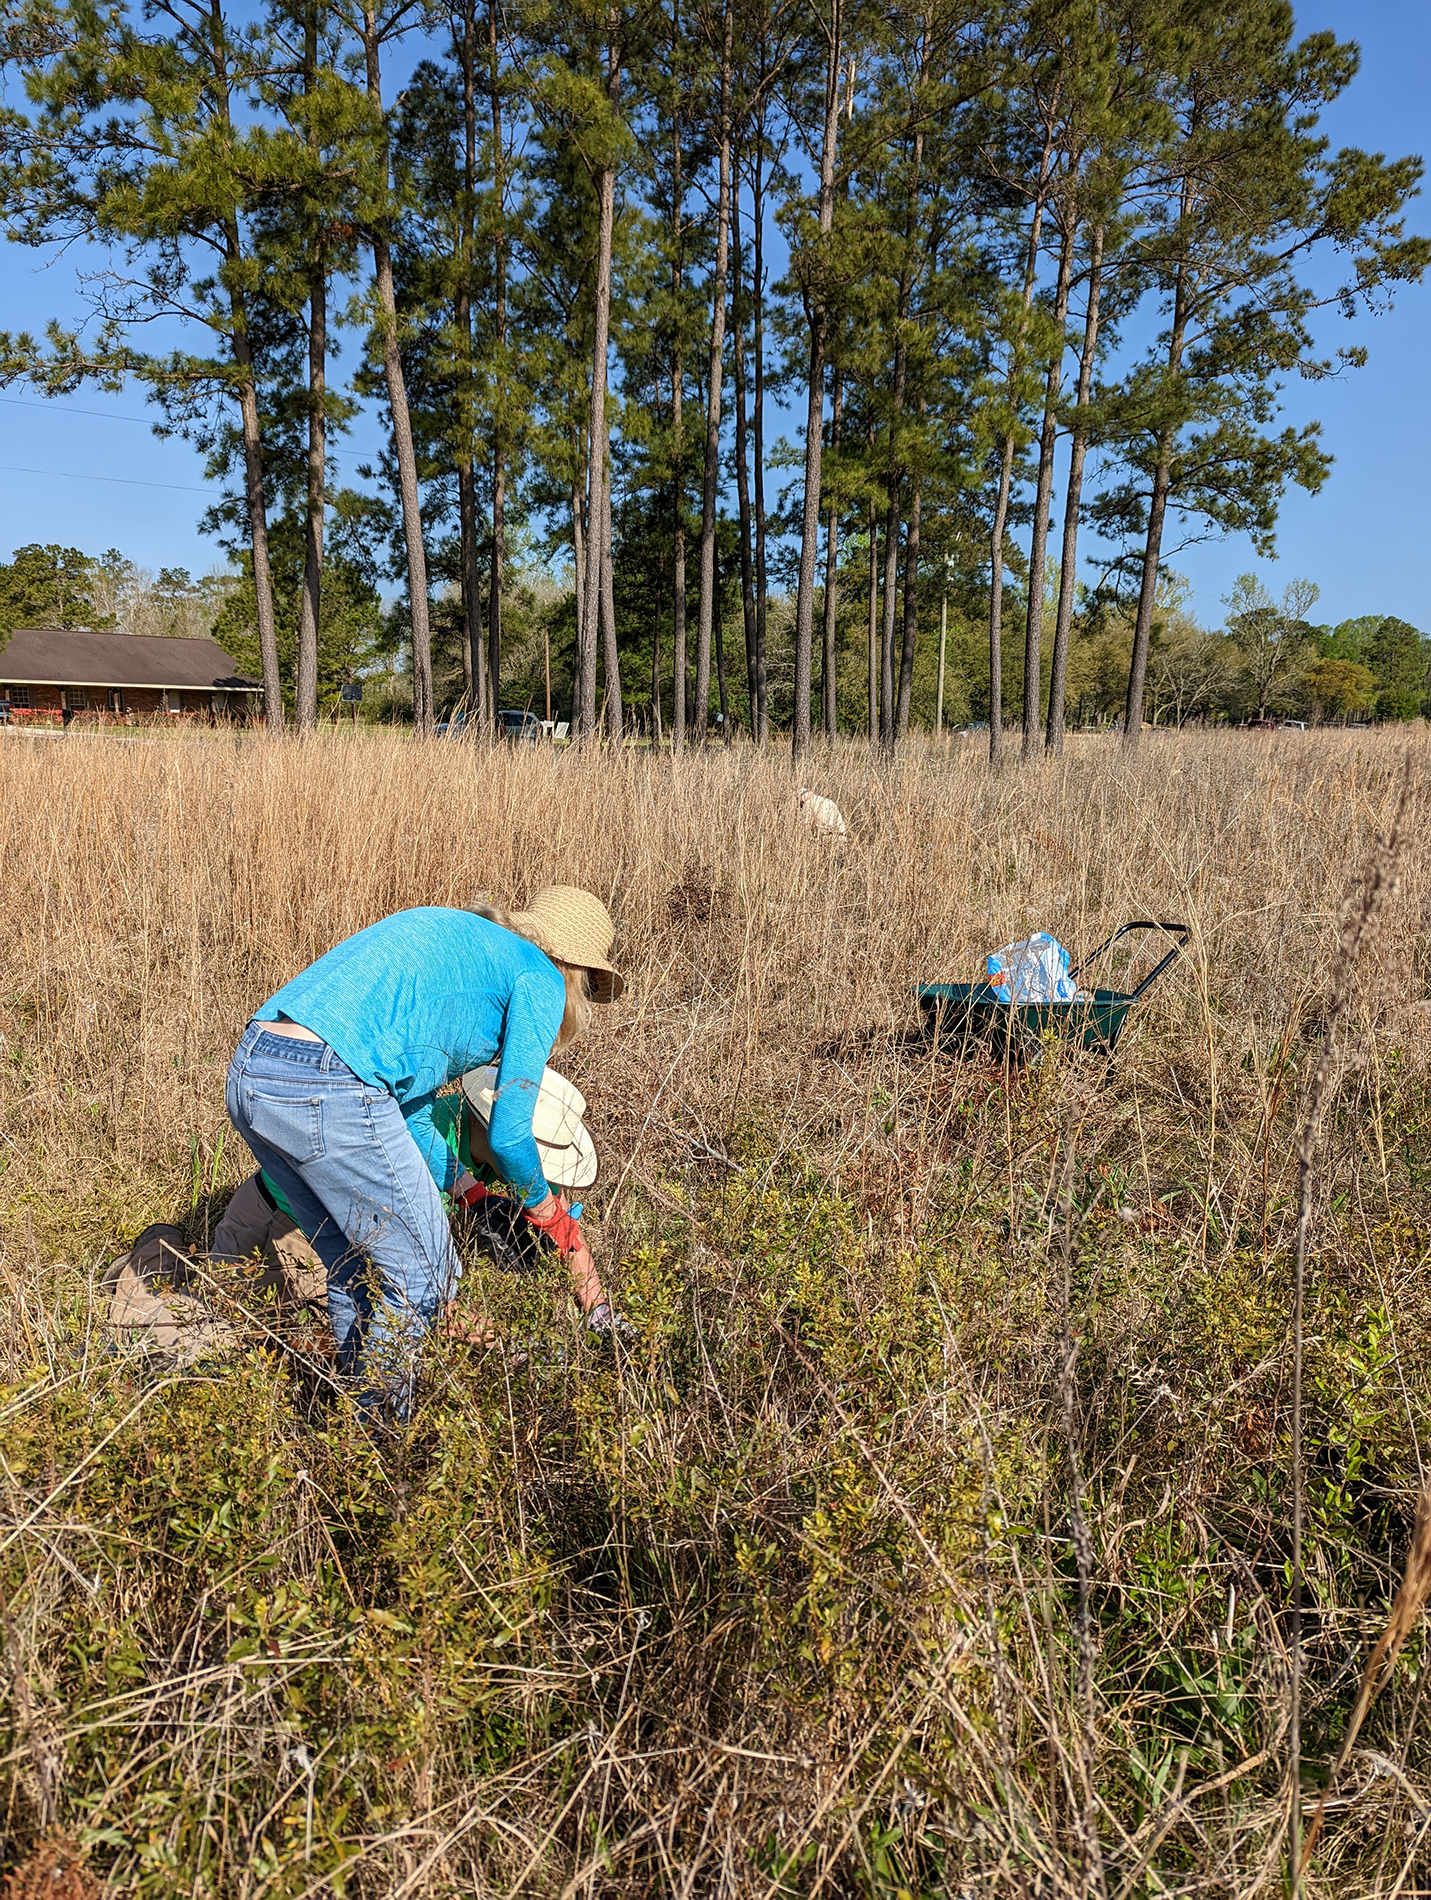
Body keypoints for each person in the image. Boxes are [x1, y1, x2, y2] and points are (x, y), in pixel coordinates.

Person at [224, 887, 624, 1414]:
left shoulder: (462, 946)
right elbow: (507, 1134)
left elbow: (403, 1109)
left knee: (352, 1269)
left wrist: (472, 1194)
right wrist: (546, 1212)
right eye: (589, 987)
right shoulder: (540, 977)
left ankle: (348, 1437)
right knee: (424, 1277)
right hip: (331, 1080)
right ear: (575, 969)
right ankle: (382, 1443)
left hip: (256, 1068)